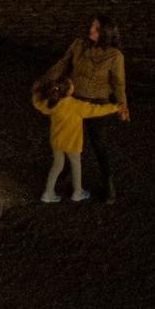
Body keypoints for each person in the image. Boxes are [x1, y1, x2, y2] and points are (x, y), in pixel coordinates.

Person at [39, 16, 129, 201]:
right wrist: (45, 81)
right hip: (73, 102)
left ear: (105, 33)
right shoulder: (79, 45)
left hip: (97, 104)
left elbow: (119, 84)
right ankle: (64, 173)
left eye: (96, 29)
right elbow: (63, 64)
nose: (91, 30)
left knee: (99, 146)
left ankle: (108, 183)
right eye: (92, 26)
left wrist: (123, 106)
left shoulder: (115, 56)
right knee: (67, 140)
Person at [33, 79, 120, 203]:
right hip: (72, 143)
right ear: (69, 91)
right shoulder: (76, 106)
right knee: (76, 166)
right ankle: (77, 192)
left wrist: (36, 93)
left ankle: (48, 193)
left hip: (57, 142)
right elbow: (96, 109)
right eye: (72, 85)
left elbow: (38, 104)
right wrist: (115, 107)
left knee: (57, 166)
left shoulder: (53, 103)